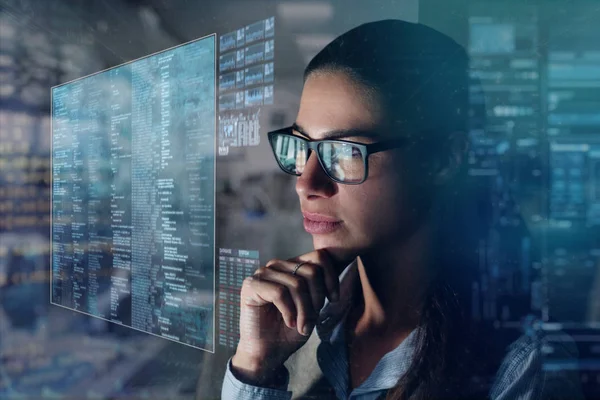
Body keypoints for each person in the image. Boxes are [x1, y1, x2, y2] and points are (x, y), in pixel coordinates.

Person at [220, 20, 583, 400]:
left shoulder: (526, 366)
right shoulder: (307, 325)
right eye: (301, 147)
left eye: (343, 152)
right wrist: (256, 369)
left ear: (442, 160)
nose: (305, 184)